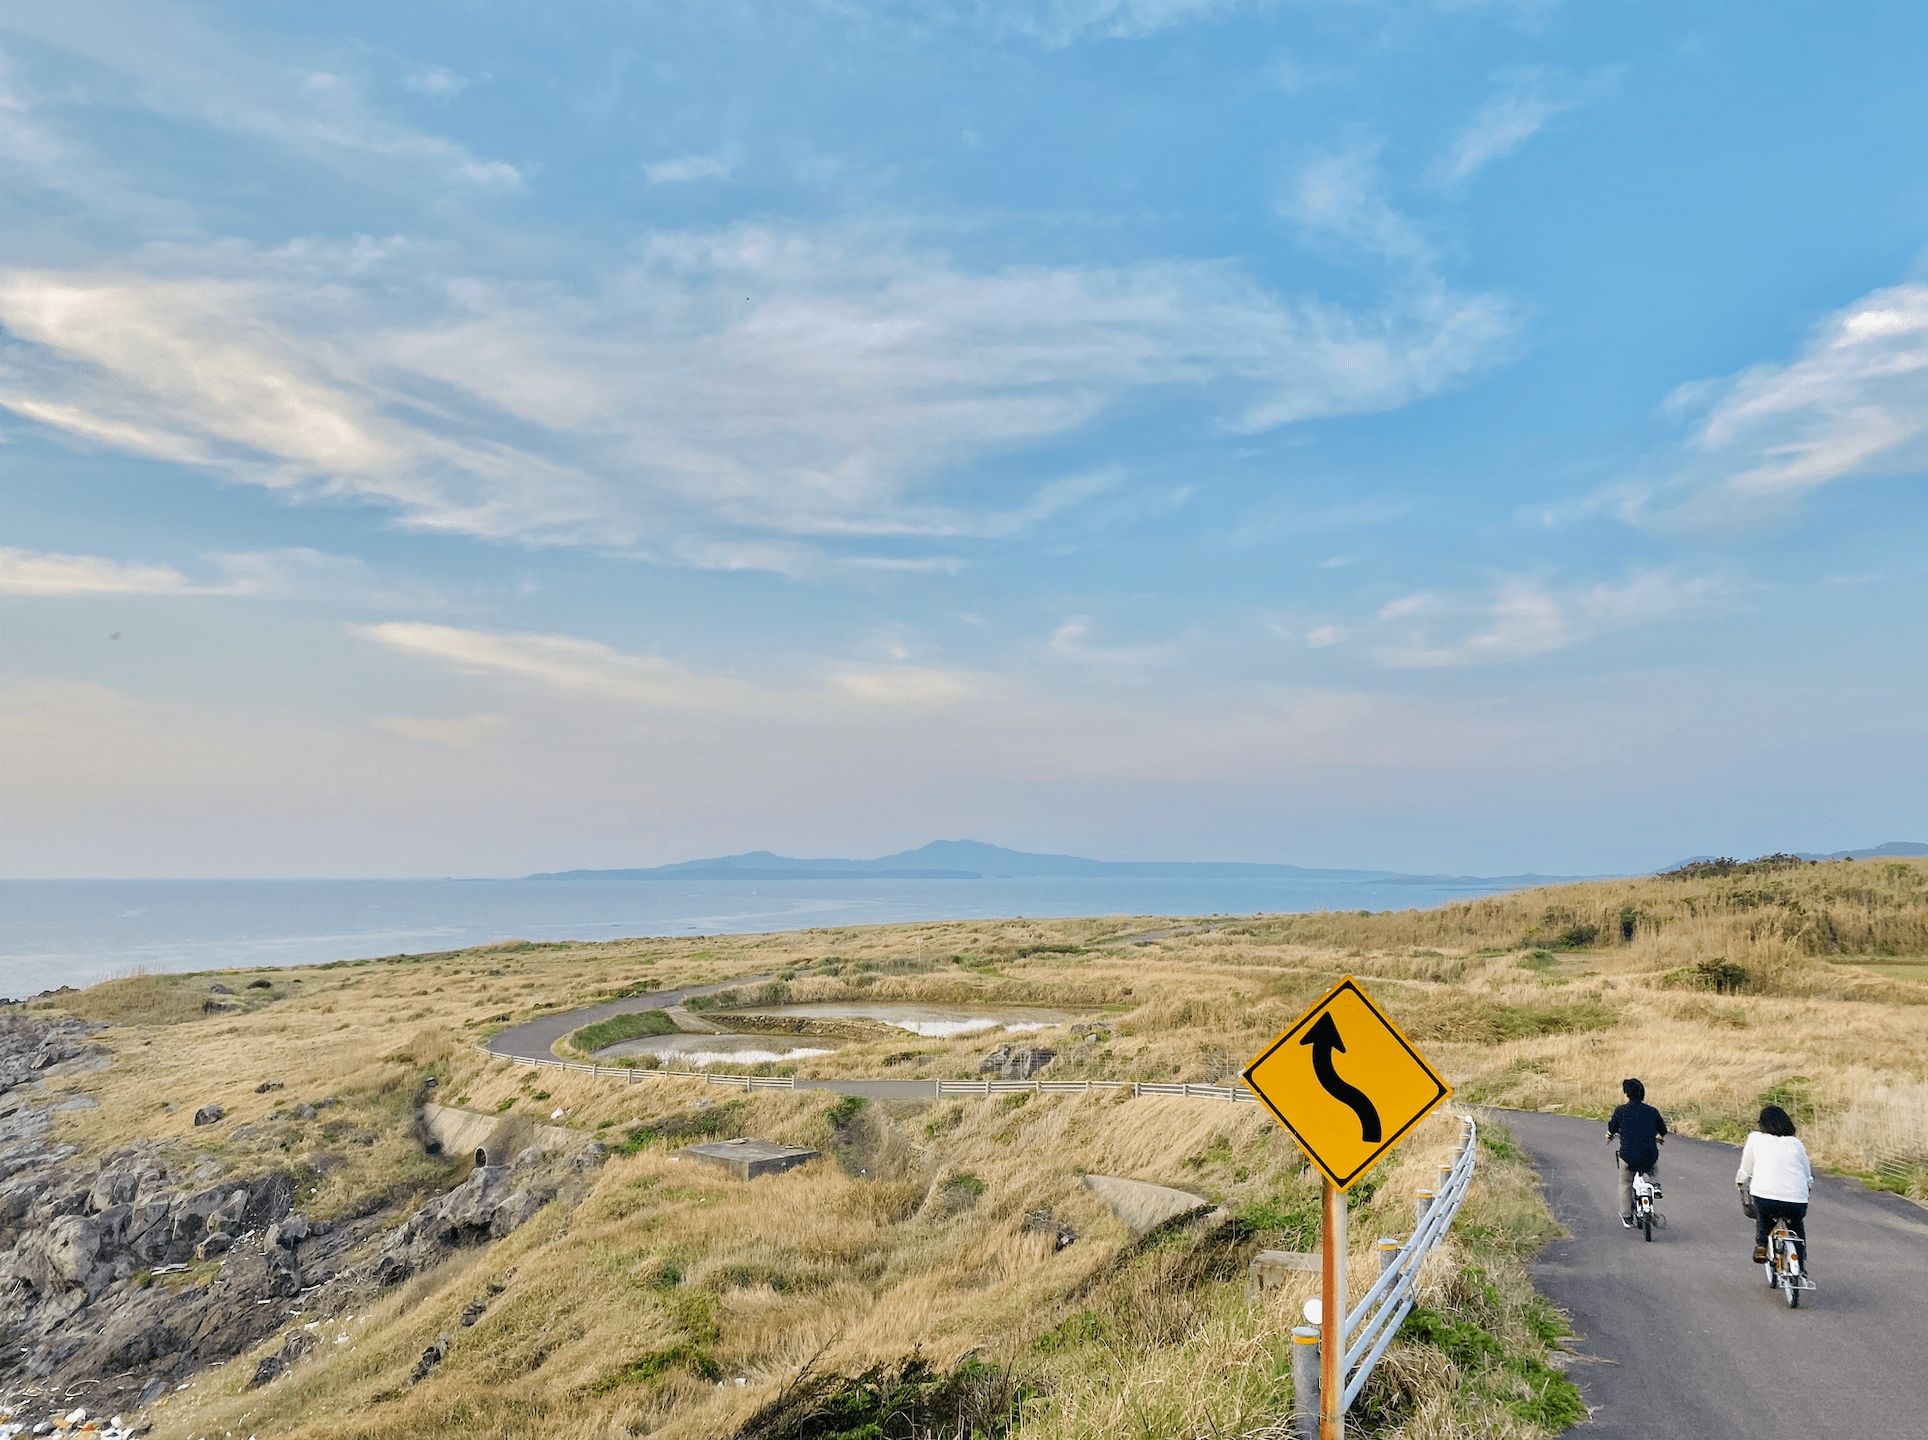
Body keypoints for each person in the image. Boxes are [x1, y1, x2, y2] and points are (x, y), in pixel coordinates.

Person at [1737, 1103, 1813, 1265]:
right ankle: (1799, 1261)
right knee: (1796, 1225)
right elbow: (1807, 1174)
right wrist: (1807, 1186)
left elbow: (1746, 1167)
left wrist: (1740, 1181)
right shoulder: (1796, 1144)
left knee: (1763, 1216)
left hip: (1765, 1196)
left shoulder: (1755, 1138)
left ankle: (1762, 1244)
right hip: (1797, 1200)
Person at [1606, 1077, 1667, 1228]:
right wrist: (1658, 1137)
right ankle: (1656, 1185)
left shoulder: (1620, 1111)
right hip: (1648, 1155)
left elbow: (1612, 1129)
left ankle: (1627, 1217)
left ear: (1626, 1093)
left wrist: (1610, 1134)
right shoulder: (1652, 1111)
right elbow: (1663, 1130)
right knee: (1653, 1166)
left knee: (1625, 1182)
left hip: (1628, 1155)